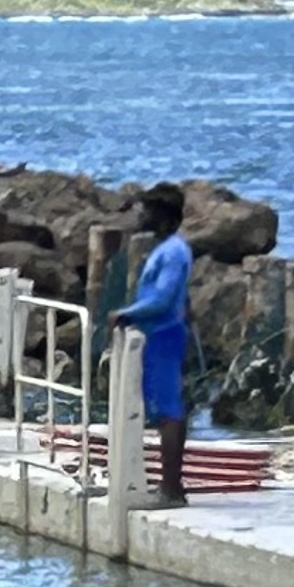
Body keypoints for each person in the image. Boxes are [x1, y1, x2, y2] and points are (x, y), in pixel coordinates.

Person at [111, 181, 193, 506]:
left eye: (146, 212)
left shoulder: (173, 252)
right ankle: (167, 485)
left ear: (162, 216)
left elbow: (162, 299)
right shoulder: (164, 249)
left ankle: (171, 488)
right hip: (156, 335)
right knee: (161, 409)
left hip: (164, 335)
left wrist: (125, 314)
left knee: (168, 410)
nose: (140, 217)